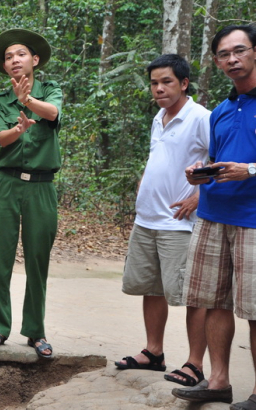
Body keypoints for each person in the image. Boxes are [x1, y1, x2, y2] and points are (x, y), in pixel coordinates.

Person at [171, 25, 256, 409]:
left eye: (239, 51)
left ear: (254, 52)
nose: (232, 59)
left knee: (254, 309)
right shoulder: (220, 110)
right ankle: (218, 381)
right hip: (211, 215)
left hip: (252, 219)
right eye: (224, 54)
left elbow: (246, 165)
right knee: (214, 301)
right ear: (217, 61)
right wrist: (200, 173)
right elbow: (220, 159)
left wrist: (250, 170)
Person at [113, 54, 209, 386]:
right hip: (148, 219)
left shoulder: (201, 118)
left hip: (179, 223)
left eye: (166, 81)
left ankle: (195, 364)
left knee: (191, 294)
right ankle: (154, 352)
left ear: (184, 83)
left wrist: (199, 196)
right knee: (151, 288)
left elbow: (222, 162)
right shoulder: (160, 116)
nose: (159, 88)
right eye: (154, 83)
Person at [0, 29, 61, 358]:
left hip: (42, 186)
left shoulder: (50, 90)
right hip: (7, 184)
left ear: (35, 60)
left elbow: (53, 114)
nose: (15, 60)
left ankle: (35, 331)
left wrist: (28, 102)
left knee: (37, 260)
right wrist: (19, 128)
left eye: (21, 54)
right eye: (9, 57)